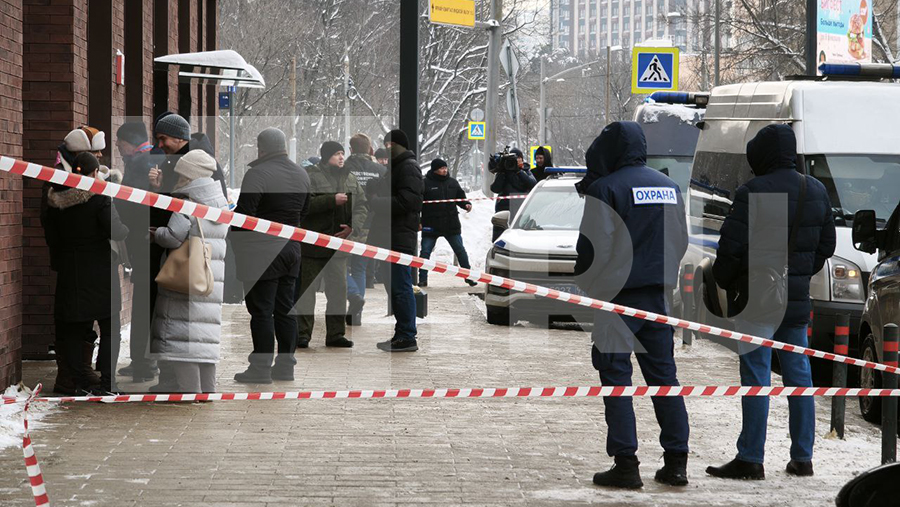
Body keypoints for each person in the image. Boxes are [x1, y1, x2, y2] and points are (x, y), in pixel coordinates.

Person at [706, 124, 836, 480]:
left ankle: (751, 457)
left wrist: (726, 281)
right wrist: (798, 273)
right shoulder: (815, 190)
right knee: (800, 378)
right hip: (795, 301)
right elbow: (826, 246)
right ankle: (802, 458)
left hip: (757, 301)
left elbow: (730, 248)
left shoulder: (753, 191)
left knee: (756, 377)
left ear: (762, 155)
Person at [574, 122, 690, 489]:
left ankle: (626, 464)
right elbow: (681, 240)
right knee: (664, 380)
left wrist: (590, 285)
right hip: (659, 299)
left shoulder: (606, 189)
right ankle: (677, 463)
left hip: (617, 300)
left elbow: (593, 250)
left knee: (616, 380)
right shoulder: (669, 187)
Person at [42, 153, 129, 394]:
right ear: (94, 173)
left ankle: (78, 382)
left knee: (74, 330)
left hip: (71, 272)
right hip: (101, 272)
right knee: (110, 328)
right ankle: (108, 384)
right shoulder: (100, 199)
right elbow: (117, 231)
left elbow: (52, 237)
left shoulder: (57, 202)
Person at [231, 128, 310, 384]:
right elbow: (304, 212)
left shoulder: (257, 174)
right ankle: (286, 367)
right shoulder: (302, 174)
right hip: (291, 251)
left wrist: (234, 239)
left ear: (261, 148)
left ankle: (260, 368)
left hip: (261, 253)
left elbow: (244, 217)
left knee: (262, 311)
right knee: (285, 309)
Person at [148, 150, 229, 394]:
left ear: (189, 175)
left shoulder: (189, 203)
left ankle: (190, 392)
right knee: (205, 339)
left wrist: (157, 233)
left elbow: (173, 237)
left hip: (185, 278)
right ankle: (208, 391)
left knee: (184, 339)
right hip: (210, 276)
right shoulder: (220, 201)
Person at [295, 141, 367, 349]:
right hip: (313, 245)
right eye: (336, 154)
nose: (341, 157)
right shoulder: (310, 176)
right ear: (326, 156)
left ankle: (336, 334)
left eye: (342, 153)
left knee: (338, 292)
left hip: (338, 246)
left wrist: (352, 226)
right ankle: (302, 334)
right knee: (306, 292)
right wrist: (330, 200)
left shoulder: (350, 178)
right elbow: (304, 204)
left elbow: (362, 206)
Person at [114, 121, 165, 383]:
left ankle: (142, 363)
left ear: (130, 142)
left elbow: (128, 205)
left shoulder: (138, 163)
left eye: (120, 142)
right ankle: (146, 361)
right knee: (150, 302)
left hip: (143, 243)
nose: (118, 147)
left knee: (143, 304)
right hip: (153, 242)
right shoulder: (156, 159)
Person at [368, 130, 423, 352]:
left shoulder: (408, 167)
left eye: (390, 145)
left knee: (400, 287)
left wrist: (377, 201)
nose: (387, 149)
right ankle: (402, 334)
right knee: (394, 287)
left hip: (398, 237)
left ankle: (407, 336)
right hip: (390, 236)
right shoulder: (398, 167)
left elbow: (408, 201)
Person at [343, 134, 386, 325]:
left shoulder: (343, 168)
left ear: (351, 149)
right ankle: (356, 315)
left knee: (337, 265)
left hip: (347, 225)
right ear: (370, 150)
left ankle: (352, 295)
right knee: (360, 268)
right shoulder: (381, 170)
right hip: (372, 226)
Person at [419, 158, 477, 288]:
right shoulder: (425, 183)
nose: (444, 170)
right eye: (441, 168)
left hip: (451, 224)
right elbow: (418, 204)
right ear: (435, 170)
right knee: (425, 252)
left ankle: (469, 276)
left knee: (460, 250)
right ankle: (422, 279)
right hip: (430, 224)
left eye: (445, 168)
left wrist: (466, 204)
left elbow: (460, 198)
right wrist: (419, 221)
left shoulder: (452, 182)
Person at [490, 148, 536, 241]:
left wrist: (519, 171)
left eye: (518, 158)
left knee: (521, 240)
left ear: (522, 159)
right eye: (513, 158)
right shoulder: (503, 172)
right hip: (504, 211)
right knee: (501, 240)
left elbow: (533, 184)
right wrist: (502, 172)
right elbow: (495, 188)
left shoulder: (525, 170)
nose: (515, 160)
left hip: (521, 211)